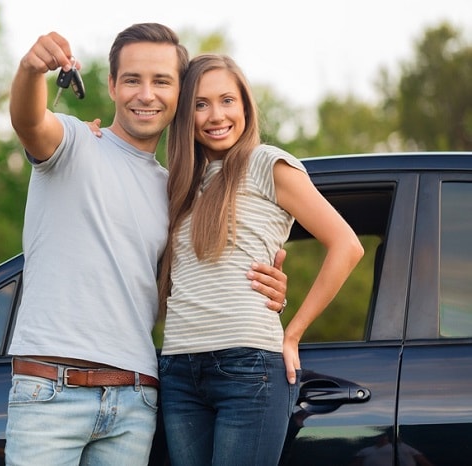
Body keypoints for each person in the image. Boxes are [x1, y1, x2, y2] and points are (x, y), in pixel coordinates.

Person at [6, 25, 287, 466]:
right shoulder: (76, 142)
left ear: (179, 95)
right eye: (133, 80)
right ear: (113, 86)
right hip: (51, 390)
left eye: (162, 82)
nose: (147, 94)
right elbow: (28, 121)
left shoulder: (175, 191)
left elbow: (199, 276)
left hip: (136, 399)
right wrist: (30, 70)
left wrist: (269, 287)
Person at [156, 54, 365, 466]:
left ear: (245, 106)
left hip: (249, 367)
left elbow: (347, 245)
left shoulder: (269, 164)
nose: (216, 115)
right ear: (185, 115)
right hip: (178, 370)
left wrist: (293, 333)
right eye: (200, 104)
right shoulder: (178, 184)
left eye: (227, 100)